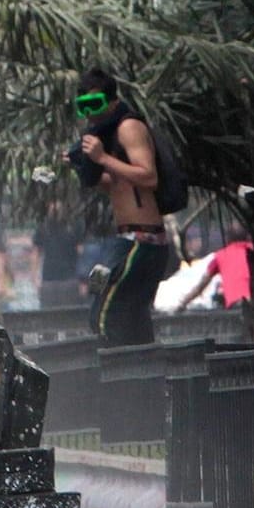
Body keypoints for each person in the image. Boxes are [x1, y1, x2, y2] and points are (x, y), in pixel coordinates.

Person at [69, 69, 171, 345]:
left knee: (105, 316)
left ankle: (117, 379)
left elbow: (148, 175)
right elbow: (117, 185)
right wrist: (83, 165)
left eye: (96, 104)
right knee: (132, 316)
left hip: (141, 239)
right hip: (128, 238)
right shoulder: (108, 135)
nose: (90, 113)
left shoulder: (129, 127)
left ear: (112, 101)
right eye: (84, 106)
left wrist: (103, 157)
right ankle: (146, 380)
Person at [176, 222, 253, 311]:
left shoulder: (221, 256)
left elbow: (201, 286)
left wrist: (183, 303)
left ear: (228, 238)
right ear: (249, 237)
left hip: (235, 304)